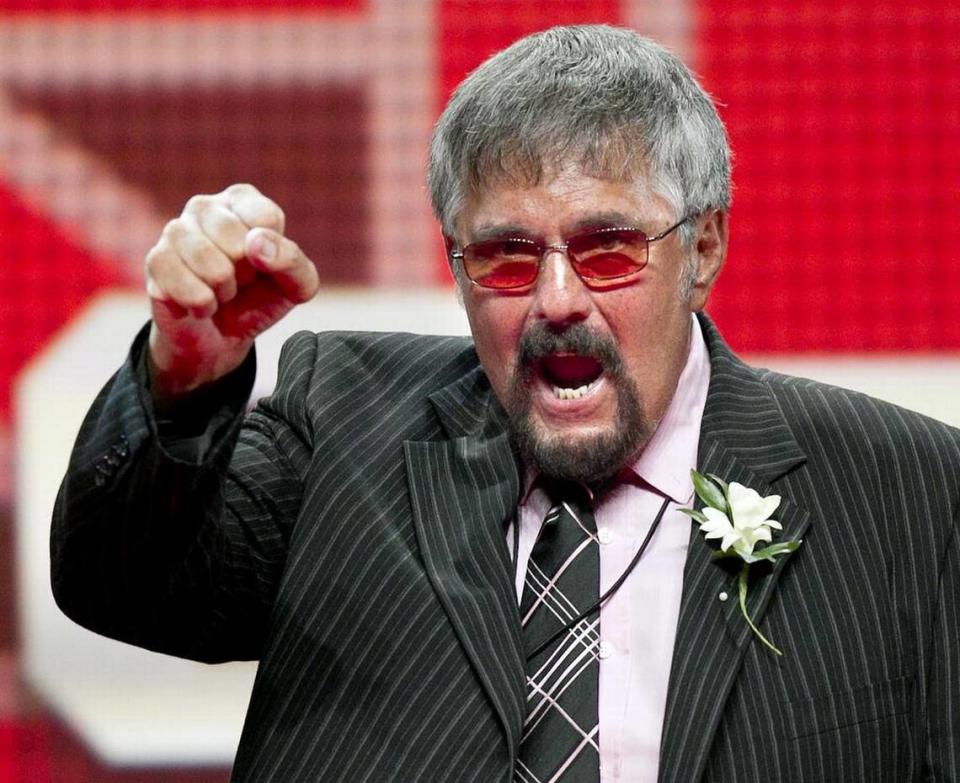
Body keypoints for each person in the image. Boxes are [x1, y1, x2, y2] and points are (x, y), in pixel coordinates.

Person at [51, 24, 959, 783]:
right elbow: (122, 582)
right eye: (508, 257)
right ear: (456, 269)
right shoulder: (346, 424)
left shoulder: (912, 495)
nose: (557, 299)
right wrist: (186, 374)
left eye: (608, 248)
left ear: (706, 247)